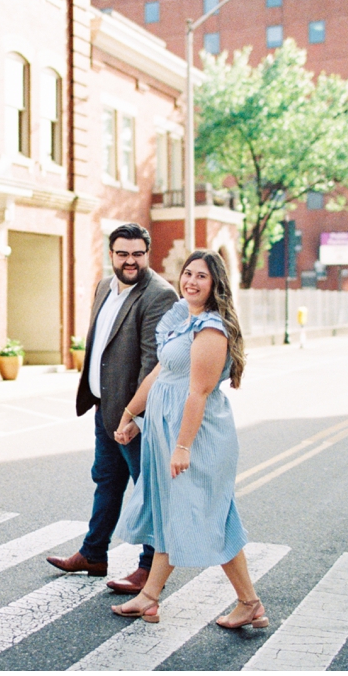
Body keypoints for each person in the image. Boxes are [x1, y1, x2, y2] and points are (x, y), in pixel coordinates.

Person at [108, 249, 268, 629]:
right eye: (188, 273)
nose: (191, 282)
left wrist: (183, 447)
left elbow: (197, 392)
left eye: (201, 277)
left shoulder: (211, 329)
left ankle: (244, 602)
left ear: (215, 286)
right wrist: (131, 414)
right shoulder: (182, 319)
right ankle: (156, 598)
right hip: (165, 431)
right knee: (178, 512)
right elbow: (160, 375)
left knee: (197, 514)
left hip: (198, 437)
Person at [46, 223, 178, 594]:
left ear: (147, 253)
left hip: (136, 418)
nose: (130, 260)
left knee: (148, 491)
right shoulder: (104, 286)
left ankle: (149, 568)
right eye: (123, 253)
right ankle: (93, 554)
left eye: (138, 253)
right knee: (106, 481)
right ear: (112, 255)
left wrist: (134, 417)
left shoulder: (158, 296)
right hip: (104, 409)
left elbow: (154, 365)